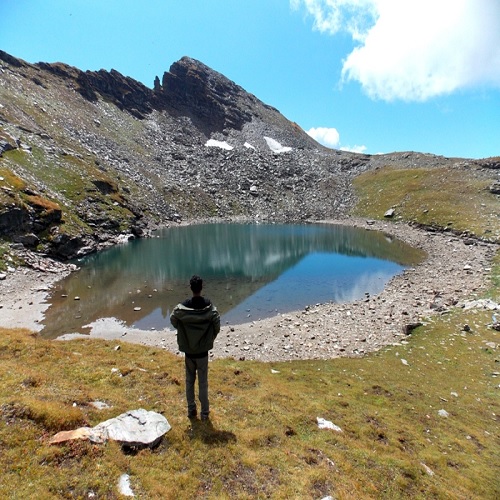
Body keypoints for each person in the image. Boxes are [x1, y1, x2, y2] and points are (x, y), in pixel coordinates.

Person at [170, 275, 220, 420]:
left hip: (189, 352)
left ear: (191, 288)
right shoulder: (208, 306)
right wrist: (211, 336)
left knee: (189, 381)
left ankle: (191, 410)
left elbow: (173, 318)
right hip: (203, 352)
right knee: (203, 383)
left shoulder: (183, 307)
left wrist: (183, 330)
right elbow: (216, 321)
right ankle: (205, 413)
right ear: (201, 287)